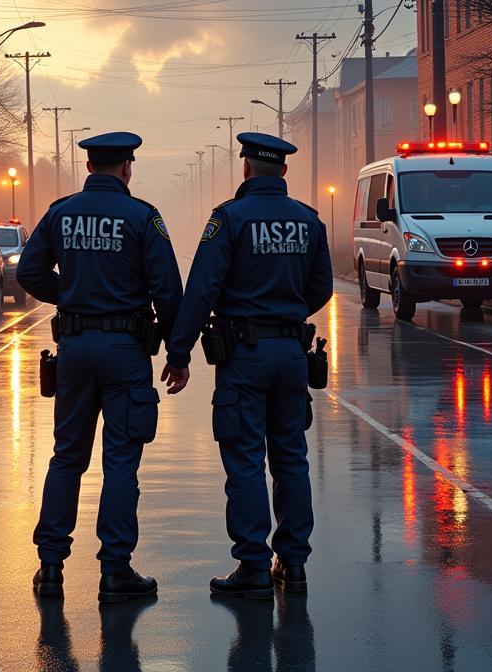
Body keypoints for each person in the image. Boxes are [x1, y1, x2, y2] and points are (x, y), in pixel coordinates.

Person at [162, 132, 332, 599]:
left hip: (244, 356)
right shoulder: (309, 222)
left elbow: (202, 291)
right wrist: (289, 308)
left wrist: (179, 354)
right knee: (291, 459)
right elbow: (321, 290)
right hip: (293, 354)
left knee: (245, 461)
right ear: (283, 171)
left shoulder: (229, 219)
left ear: (246, 168)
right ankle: (293, 564)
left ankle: (254, 566)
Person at [17, 131, 183, 604]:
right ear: (127, 168)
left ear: (89, 168)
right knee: (121, 464)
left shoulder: (60, 212)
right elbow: (168, 291)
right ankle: (115, 571)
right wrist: (178, 353)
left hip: (74, 348)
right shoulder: (143, 217)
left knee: (67, 457)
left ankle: (50, 567)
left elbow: (28, 274)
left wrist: (70, 295)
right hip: (126, 352)